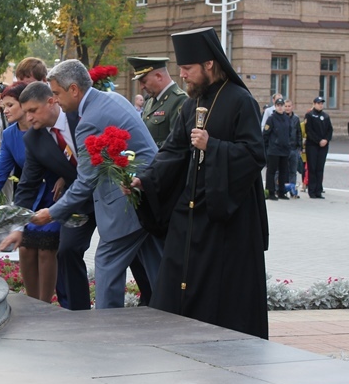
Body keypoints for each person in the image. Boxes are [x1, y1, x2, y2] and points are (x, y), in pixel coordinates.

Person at [131, 26, 269, 339]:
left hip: (227, 216)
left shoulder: (240, 101)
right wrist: (145, 179)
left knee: (220, 295)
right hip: (191, 212)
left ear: (209, 64)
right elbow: (173, 151)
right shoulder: (191, 105)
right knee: (174, 281)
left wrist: (214, 146)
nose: (182, 75)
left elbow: (254, 154)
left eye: (188, 69)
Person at [31, 59, 164, 310]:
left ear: (74, 90)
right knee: (157, 271)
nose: (55, 100)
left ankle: (105, 331)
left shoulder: (88, 121)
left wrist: (51, 213)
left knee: (106, 265)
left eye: (57, 93)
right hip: (147, 196)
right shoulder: (113, 99)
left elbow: (85, 182)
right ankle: (175, 319)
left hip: (127, 204)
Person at [0, 82, 97, 310]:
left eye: (33, 110)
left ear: (51, 102)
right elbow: (27, 186)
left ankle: (150, 302)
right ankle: (77, 313)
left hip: (107, 192)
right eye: (26, 112)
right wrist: (17, 227)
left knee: (131, 255)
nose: (29, 117)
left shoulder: (79, 118)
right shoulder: (33, 139)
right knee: (67, 250)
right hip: (77, 201)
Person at [0, 82, 62, 303]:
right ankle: (32, 302)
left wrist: (64, 177)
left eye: (10, 105)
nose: (5, 110)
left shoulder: (45, 126)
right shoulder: (10, 135)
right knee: (26, 248)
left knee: (46, 248)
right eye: (3, 105)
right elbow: (0, 172)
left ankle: (45, 303)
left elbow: (67, 156)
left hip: (53, 195)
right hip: (29, 194)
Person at [128, 55, 187, 304]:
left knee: (163, 248)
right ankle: (150, 295)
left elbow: (178, 146)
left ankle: (165, 298)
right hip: (148, 184)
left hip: (166, 187)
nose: (141, 85)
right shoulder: (153, 103)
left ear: (159, 76)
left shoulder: (179, 102)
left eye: (144, 79)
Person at [129, 56, 188, 148]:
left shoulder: (179, 100)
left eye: (144, 81)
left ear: (158, 76)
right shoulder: (150, 100)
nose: (141, 87)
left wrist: (145, 147)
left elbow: (177, 142)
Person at [304, 96, 332, 199]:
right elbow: (309, 131)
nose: (320, 105)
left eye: (322, 103)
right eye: (318, 103)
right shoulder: (310, 115)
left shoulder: (325, 116)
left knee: (320, 168)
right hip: (312, 145)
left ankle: (318, 190)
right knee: (312, 168)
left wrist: (326, 140)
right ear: (314, 104)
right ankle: (311, 190)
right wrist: (318, 140)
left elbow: (330, 130)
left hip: (323, 146)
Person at [263, 98, 290, 200]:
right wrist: (266, 148)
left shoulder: (287, 118)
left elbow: (289, 133)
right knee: (271, 171)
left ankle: (281, 191)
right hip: (274, 149)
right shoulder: (271, 118)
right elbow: (265, 134)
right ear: (275, 106)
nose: (280, 107)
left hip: (284, 149)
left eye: (281, 105)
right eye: (278, 105)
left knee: (283, 172)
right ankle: (270, 192)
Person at [283, 99, 302, 197]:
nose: (287, 108)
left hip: (294, 148)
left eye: (289, 106)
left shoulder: (296, 118)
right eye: (285, 106)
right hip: (284, 148)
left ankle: (293, 191)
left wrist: (300, 147)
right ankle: (284, 190)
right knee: (284, 170)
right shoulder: (281, 117)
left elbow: (299, 133)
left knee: (293, 171)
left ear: (292, 107)